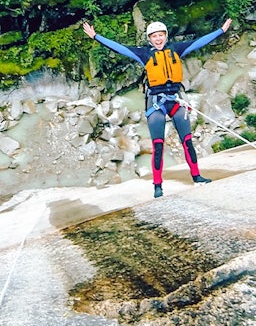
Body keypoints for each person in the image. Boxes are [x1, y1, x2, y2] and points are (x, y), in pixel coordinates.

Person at [82, 17, 232, 198]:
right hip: (156, 103)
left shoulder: (176, 49)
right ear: (150, 39)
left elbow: (199, 42)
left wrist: (221, 31)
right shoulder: (144, 54)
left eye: (161, 35)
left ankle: (196, 176)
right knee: (158, 145)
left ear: (166, 36)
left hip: (176, 100)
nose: (158, 39)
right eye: (154, 36)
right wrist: (96, 36)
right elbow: (120, 48)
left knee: (187, 141)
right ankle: (158, 185)